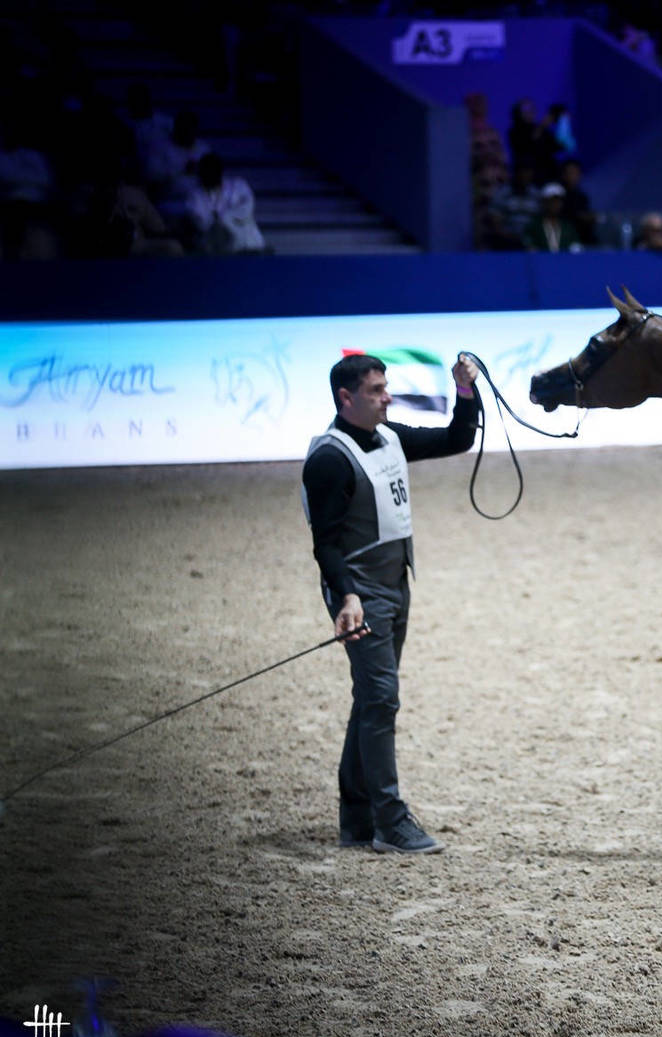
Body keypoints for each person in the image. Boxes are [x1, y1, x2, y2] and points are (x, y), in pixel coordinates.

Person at [301, 351, 482, 854]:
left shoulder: (389, 437)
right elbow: (326, 543)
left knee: (371, 698)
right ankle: (389, 821)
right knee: (381, 698)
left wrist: (465, 391)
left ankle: (357, 819)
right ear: (347, 397)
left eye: (386, 388)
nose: (387, 397)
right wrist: (347, 598)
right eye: (377, 390)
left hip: (395, 582)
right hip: (361, 591)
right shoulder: (330, 459)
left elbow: (457, 438)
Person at [185, 153, 266, 254]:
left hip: (250, 246)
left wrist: (223, 217)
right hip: (219, 252)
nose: (209, 174)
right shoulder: (194, 196)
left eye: (212, 171)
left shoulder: (239, 185)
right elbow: (202, 223)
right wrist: (227, 216)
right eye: (206, 171)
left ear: (219, 171)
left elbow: (245, 211)